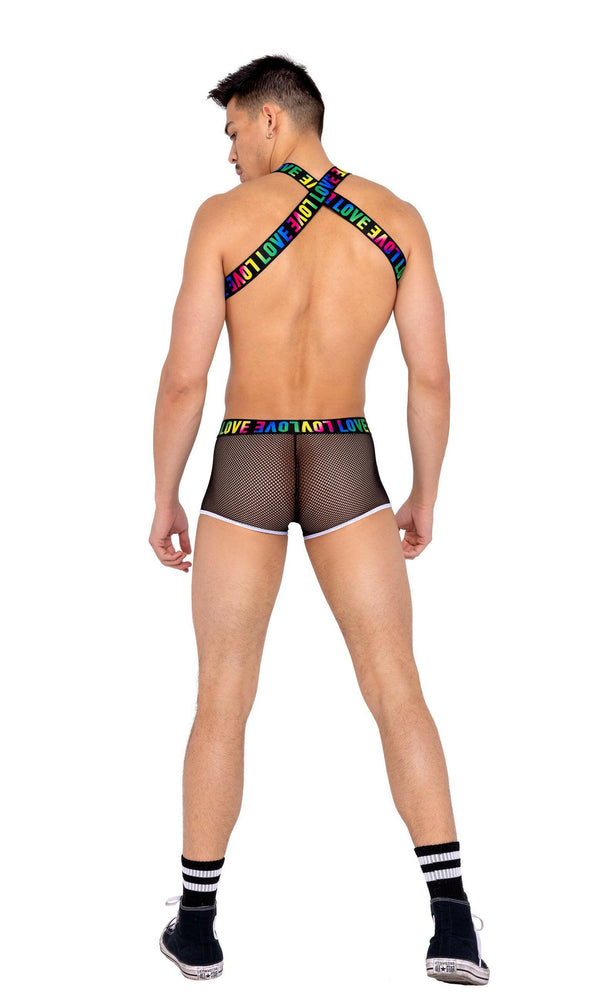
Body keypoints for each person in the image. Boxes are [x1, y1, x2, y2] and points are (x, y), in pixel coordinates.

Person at [149, 53, 490, 986]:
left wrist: (164, 492)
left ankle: (197, 927)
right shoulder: (397, 219)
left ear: (271, 118)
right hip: (345, 456)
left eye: (231, 131)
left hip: (249, 456)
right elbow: (431, 376)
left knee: (223, 693)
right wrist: (424, 491)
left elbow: (185, 380)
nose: (228, 154)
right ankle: (454, 922)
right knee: (396, 685)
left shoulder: (223, 220)